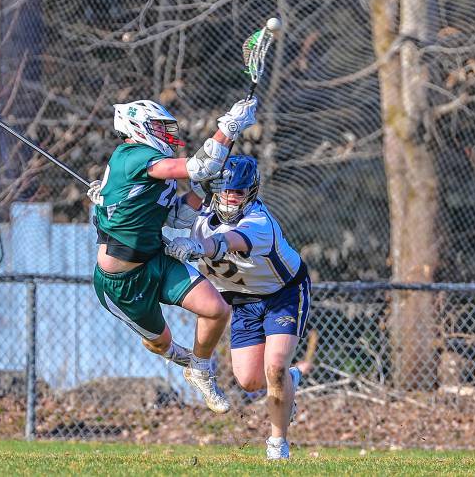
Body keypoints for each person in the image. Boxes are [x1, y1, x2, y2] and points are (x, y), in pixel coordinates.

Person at [86, 98, 258, 414]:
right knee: (160, 344)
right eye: (159, 128)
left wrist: (204, 191)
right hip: (121, 284)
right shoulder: (134, 155)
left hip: (156, 260)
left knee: (216, 310)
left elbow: (177, 217)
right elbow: (199, 166)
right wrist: (228, 128)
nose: (166, 136)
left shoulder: (150, 166)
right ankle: (180, 356)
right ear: (138, 128)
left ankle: (200, 370)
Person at [164, 155, 311, 459]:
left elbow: (229, 241)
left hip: (282, 294)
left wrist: (197, 247)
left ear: (251, 192)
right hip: (242, 300)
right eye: (226, 190)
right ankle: (289, 379)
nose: (231, 197)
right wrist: (114, 198)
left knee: (274, 367)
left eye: (239, 191)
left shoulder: (259, 223)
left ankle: (277, 445)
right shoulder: (201, 211)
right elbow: (159, 213)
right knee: (250, 381)